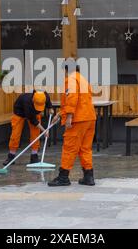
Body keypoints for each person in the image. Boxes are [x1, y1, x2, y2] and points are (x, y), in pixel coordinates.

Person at [48, 58, 97, 187]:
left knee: (69, 148)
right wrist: (60, 114)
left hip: (78, 119)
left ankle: (63, 177)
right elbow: (81, 100)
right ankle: (89, 176)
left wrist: (69, 116)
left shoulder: (70, 79)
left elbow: (72, 98)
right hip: (89, 118)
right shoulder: (82, 79)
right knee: (85, 148)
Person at [3, 90, 54, 166]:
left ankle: (34, 156)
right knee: (15, 134)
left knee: (35, 133)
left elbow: (48, 99)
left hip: (33, 114)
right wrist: (44, 130)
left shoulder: (44, 96)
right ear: (33, 100)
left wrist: (50, 108)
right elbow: (33, 120)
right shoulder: (27, 102)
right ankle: (11, 156)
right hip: (19, 113)